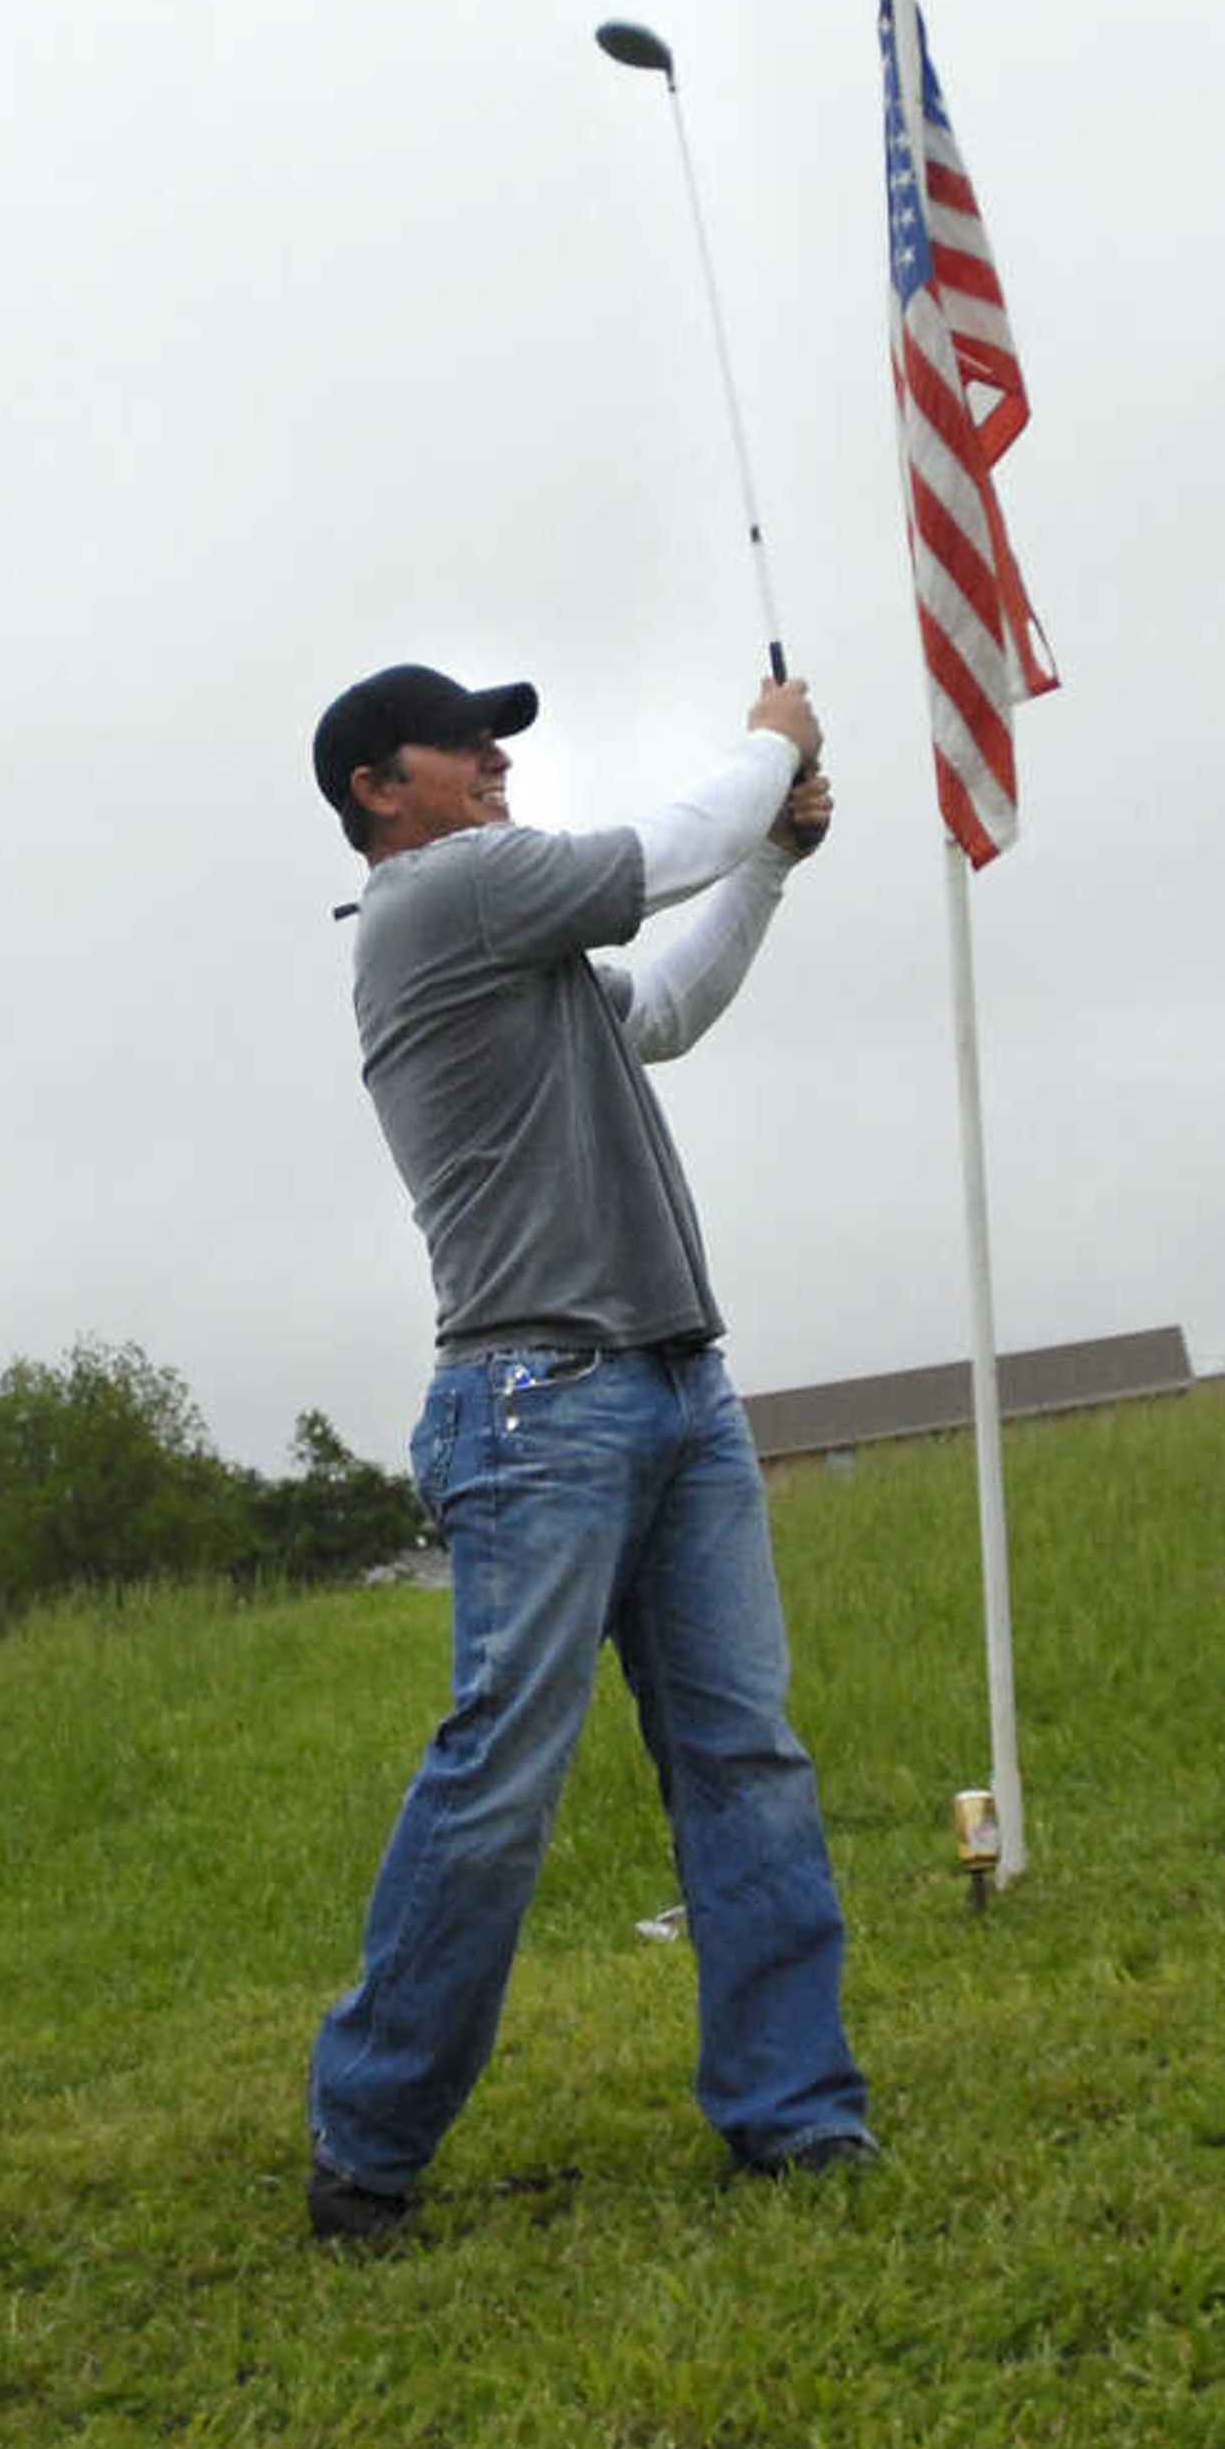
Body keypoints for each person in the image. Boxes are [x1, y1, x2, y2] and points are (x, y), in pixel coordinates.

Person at [301, 661, 870, 2247]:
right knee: (503, 1779)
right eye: (464, 741)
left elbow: (668, 1005)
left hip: (678, 1388)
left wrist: (770, 860)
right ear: (378, 790)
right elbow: (654, 854)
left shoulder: (523, 951)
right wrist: (772, 753)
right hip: (537, 1403)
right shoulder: (444, 900)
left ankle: (797, 2115)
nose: (496, 760)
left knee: (744, 1757)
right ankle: (369, 2135)